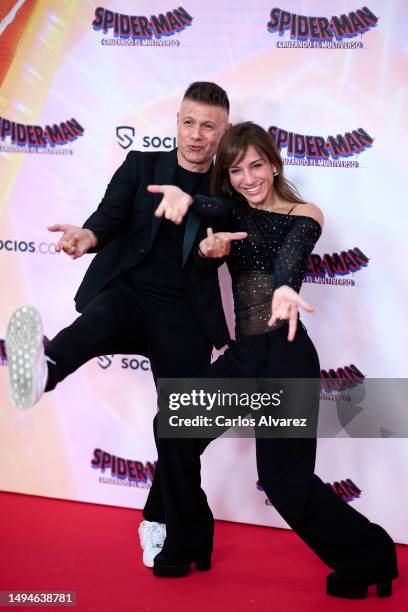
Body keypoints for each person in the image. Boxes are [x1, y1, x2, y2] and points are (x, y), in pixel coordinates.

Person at [148, 122, 398, 598]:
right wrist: (191, 212)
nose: (247, 178)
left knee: (285, 483)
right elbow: (208, 207)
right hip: (245, 356)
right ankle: (188, 540)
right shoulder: (231, 210)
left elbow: (292, 256)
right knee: (173, 427)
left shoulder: (306, 213)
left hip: (286, 357)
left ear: (274, 162)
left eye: (256, 165)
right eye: (236, 169)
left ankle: (371, 556)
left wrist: (285, 287)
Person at [5, 82, 243, 568]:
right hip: (131, 292)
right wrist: (87, 236)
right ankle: (44, 368)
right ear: (177, 119)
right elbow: (110, 215)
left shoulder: (227, 185)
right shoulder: (141, 165)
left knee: (178, 427)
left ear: (225, 131)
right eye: (189, 122)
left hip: (186, 317)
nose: (196, 135)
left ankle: (158, 519)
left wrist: (214, 248)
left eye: (208, 126)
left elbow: (226, 225)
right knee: (101, 317)